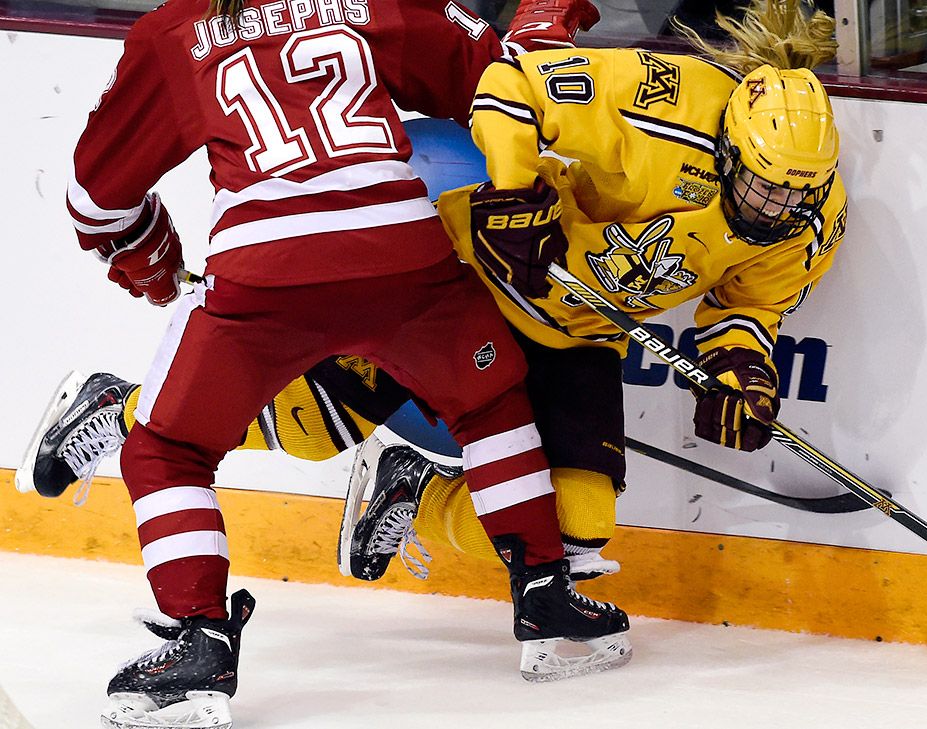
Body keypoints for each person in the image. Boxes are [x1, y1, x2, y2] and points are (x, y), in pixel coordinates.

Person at [30, 0, 842, 682]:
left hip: (564, 318)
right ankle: (121, 406)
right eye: (762, 183)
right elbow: (500, 77)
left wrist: (741, 365)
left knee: (578, 520)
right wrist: (517, 187)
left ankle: (417, 497)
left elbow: (747, 304)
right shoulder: (659, 99)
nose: (774, 205)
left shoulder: (811, 213)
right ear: (731, 141)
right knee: (314, 430)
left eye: (791, 197)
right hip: (472, 267)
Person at [56, 0, 627, 725]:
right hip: (401, 251)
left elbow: (93, 197)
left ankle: (200, 638)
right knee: (493, 404)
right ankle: (546, 594)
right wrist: (537, 45)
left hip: (264, 271)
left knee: (167, 449)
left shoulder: (175, 28)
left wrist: (150, 252)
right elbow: (495, 79)